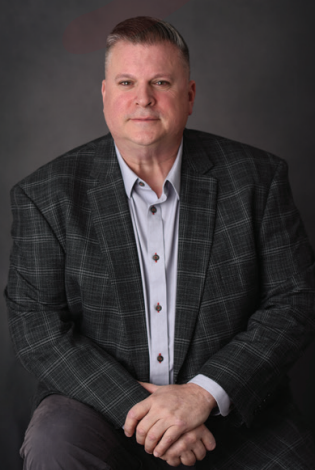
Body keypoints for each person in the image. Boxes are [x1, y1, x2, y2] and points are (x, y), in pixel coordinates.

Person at [5, 16, 315, 469]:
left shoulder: (256, 179)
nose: (143, 98)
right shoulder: (46, 195)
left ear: (189, 96)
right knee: (54, 442)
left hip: (229, 410)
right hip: (97, 407)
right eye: (127, 81)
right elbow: (37, 328)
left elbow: (295, 301)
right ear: (105, 95)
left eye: (161, 82)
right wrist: (145, 412)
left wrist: (201, 394)